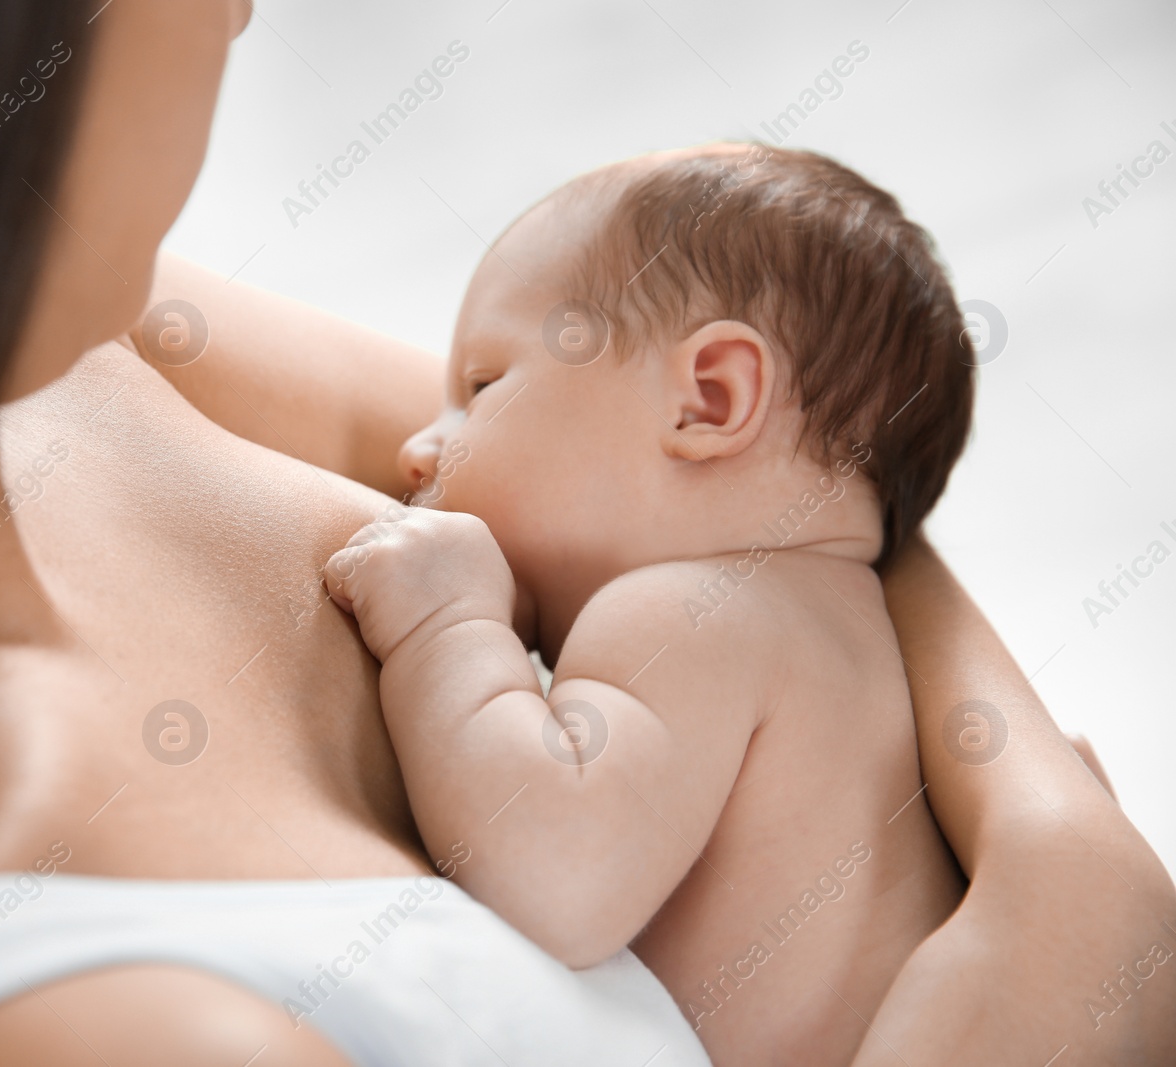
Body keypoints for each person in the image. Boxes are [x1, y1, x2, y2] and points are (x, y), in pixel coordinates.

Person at [0, 2, 1168, 1065]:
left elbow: (763, 473)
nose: (431, 441)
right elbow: (781, 495)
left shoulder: (70, 330)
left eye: (475, 384)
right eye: (464, 381)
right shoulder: (92, 1020)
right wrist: (1054, 871)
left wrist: (1067, 858)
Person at [323, 143, 972, 1065]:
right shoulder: (879, 644)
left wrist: (446, 627)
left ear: (708, 399)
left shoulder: (691, 612)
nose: (418, 450)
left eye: (480, 387)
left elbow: (563, 877)